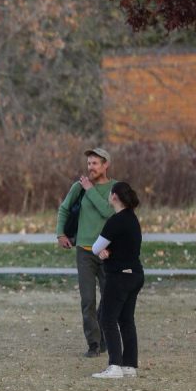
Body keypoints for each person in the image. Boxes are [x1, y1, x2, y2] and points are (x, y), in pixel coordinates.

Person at [55, 147, 115, 357]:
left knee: (109, 299)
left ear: (106, 165)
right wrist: (60, 234)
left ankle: (104, 336)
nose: (91, 167)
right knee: (88, 300)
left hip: (108, 253)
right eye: (89, 163)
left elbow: (108, 211)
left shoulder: (115, 188)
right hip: (84, 252)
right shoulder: (78, 187)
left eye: (95, 163)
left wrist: (90, 190)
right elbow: (64, 209)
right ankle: (93, 344)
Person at [91, 181, 145, 379]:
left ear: (114, 197)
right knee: (126, 319)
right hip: (136, 275)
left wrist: (104, 251)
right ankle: (129, 365)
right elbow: (125, 245)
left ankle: (114, 365)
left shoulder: (115, 221)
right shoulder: (133, 219)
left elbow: (95, 248)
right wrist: (109, 250)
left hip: (119, 277)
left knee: (107, 318)